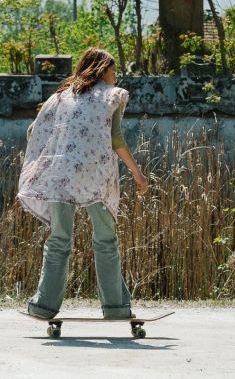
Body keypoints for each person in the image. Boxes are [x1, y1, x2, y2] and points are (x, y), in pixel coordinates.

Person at [17, 47, 148, 319]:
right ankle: (115, 307)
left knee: (59, 240)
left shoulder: (61, 96)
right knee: (105, 240)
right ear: (101, 70)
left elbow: (33, 130)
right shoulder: (111, 96)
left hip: (61, 176)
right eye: (113, 70)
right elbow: (116, 139)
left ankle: (43, 306)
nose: (116, 76)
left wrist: (52, 151)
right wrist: (137, 173)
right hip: (96, 177)